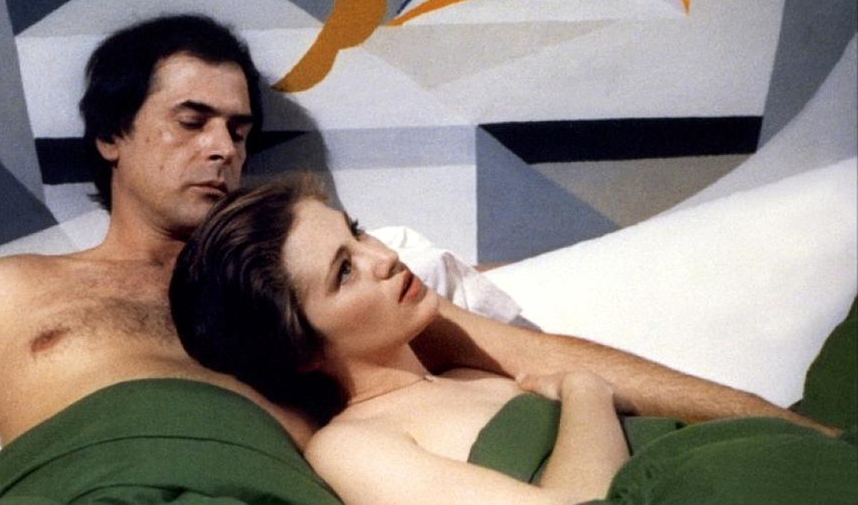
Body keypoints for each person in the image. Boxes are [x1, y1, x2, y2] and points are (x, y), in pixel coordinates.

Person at [0, 15, 831, 504]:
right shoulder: (13, 292)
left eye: (238, 129)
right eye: (191, 120)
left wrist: (775, 416)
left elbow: (544, 357)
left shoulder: (305, 300)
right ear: (110, 135)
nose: (221, 148)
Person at [169, 178, 858, 505]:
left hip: (762, 459)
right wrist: (586, 396)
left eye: (357, 231)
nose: (384, 256)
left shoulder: (458, 364)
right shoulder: (352, 445)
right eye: (344, 271)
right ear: (299, 349)